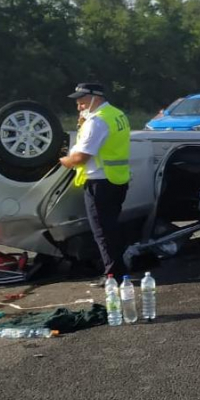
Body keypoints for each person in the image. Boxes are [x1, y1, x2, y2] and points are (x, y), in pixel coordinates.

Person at [59, 83, 131, 282]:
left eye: (81, 101)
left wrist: (63, 161)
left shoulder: (97, 122)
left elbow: (81, 157)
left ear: (95, 98)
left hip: (100, 183)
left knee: (103, 232)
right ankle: (120, 269)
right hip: (117, 179)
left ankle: (113, 275)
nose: (79, 106)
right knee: (111, 228)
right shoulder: (117, 114)